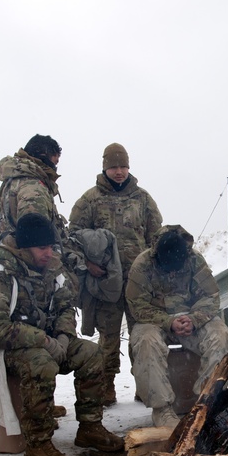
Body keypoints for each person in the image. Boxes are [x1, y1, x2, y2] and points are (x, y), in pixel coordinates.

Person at [0, 213, 123, 456]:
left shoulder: (51, 269)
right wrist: (42, 340)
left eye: (52, 247)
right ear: (25, 246)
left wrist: (63, 335)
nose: (49, 253)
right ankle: (37, 443)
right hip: (9, 350)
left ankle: (90, 427)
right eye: (43, 248)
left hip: (51, 341)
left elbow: (65, 306)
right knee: (40, 363)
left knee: (91, 352)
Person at [69, 143, 163, 405]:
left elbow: (156, 237)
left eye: (123, 166)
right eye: (114, 167)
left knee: (141, 335)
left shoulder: (143, 199)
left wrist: (155, 271)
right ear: (105, 168)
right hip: (105, 281)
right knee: (108, 337)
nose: (119, 171)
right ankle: (106, 385)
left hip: (138, 282)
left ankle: (145, 385)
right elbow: (72, 239)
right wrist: (88, 265)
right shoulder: (89, 200)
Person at [0, 133, 72, 420]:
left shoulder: (11, 181)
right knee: (40, 338)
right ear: (44, 158)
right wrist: (52, 260)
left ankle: (41, 401)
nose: (55, 170)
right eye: (54, 163)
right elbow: (36, 231)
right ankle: (38, 407)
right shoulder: (33, 188)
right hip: (30, 269)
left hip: (18, 264)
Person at [126, 225, 228, 428]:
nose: (174, 273)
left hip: (191, 319)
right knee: (145, 342)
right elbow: (137, 306)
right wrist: (168, 322)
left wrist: (194, 319)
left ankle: (206, 401)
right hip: (155, 321)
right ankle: (162, 410)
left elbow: (210, 297)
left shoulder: (194, 259)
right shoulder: (142, 265)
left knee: (221, 336)